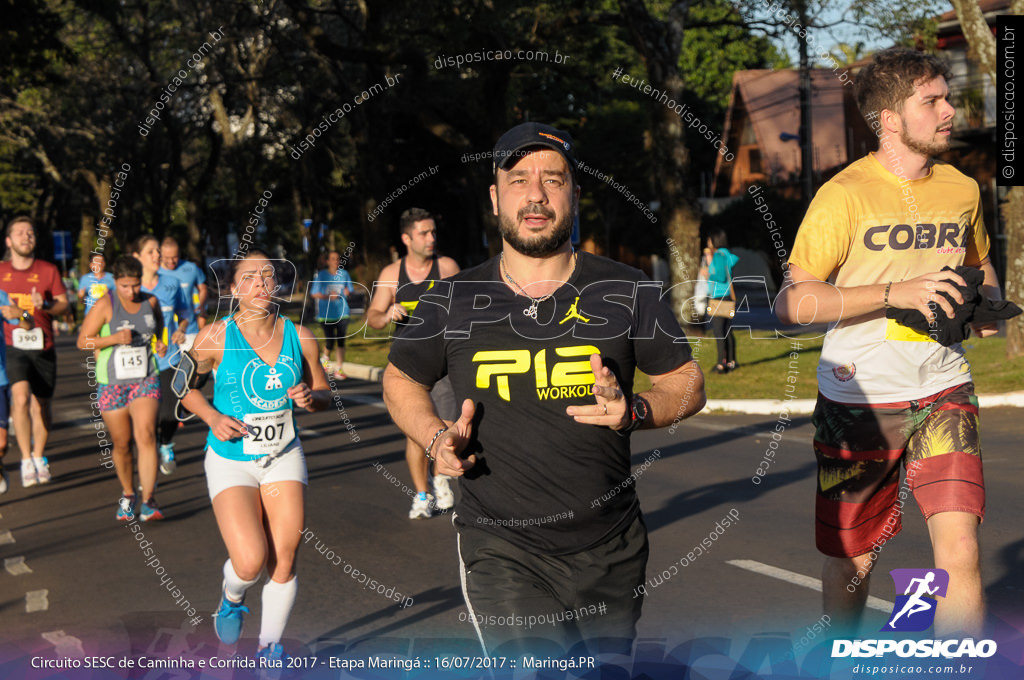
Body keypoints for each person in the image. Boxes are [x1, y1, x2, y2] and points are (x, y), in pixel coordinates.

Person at [382, 122, 706, 656]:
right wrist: (436, 437)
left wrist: (637, 409)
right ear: (495, 197)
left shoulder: (625, 289)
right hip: (502, 548)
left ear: (574, 195)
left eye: (553, 180)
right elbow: (401, 377)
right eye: (518, 180)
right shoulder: (451, 299)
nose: (535, 194)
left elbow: (687, 382)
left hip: (613, 547)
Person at [776, 48, 1001, 638]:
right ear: (891, 120)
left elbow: (980, 265)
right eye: (932, 101)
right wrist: (895, 291)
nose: (949, 110)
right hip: (860, 399)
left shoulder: (961, 188)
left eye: (947, 96)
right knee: (854, 560)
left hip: (943, 389)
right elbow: (794, 302)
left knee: (961, 551)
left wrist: (983, 307)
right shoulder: (844, 195)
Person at [177, 249, 331, 665]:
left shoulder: (300, 336)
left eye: (267, 277)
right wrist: (211, 416)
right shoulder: (214, 336)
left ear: (277, 285)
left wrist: (310, 398)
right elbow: (183, 385)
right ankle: (231, 596)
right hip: (231, 458)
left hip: (282, 454)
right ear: (233, 289)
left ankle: (268, 648)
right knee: (250, 561)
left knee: (284, 557)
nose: (259, 285)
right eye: (248, 278)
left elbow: (323, 393)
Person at [367, 208, 460, 519]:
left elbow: (466, 310)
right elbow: (374, 319)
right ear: (407, 238)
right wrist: (388, 311)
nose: (431, 238)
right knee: (415, 433)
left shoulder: (446, 267)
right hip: (409, 367)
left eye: (433, 232)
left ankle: (442, 479)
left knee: (446, 425)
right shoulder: (392, 274)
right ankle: (421, 495)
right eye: (424, 233)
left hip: (444, 362)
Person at [77, 256, 166, 520]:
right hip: (112, 382)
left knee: (147, 435)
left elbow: (159, 328)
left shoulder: (151, 301)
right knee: (122, 443)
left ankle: (149, 500)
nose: (132, 292)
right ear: (116, 283)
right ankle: (128, 493)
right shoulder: (106, 304)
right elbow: (83, 341)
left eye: (136, 285)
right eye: (125, 286)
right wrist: (113, 339)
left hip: (145, 377)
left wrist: (160, 343)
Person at [0, 216, 69, 487]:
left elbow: (65, 306)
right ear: (8, 240)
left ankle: (39, 456)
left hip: (43, 344)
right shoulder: (0, 271)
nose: (26, 237)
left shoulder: (48, 270)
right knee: (19, 396)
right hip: (11, 344)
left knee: (41, 404)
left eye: (30, 233)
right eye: (19, 233)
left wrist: (47, 304)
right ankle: (26, 458)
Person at [133, 235, 192, 476]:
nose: (157, 256)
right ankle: (147, 456)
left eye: (158, 251)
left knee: (170, 412)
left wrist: (180, 330)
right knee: (145, 419)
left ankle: (166, 443)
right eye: (151, 252)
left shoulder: (172, 283)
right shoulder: (130, 287)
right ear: (137, 257)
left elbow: (185, 312)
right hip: (139, 364)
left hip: (170, 358)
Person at [0, 291, 35, 493]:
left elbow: (28, 324)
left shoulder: (1, 296)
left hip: (0, 379)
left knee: (2, 444)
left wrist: (21, 313)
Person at [309, 250, 353, 381]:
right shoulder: (321, 275)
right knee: (330, 340)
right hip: (326, 314)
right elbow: (314, 293)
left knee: (341, 341)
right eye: (333, 259)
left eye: (337, 259)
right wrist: (328, 296)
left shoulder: (344, 274)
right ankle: (325, 358)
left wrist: (347, 291)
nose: (336, 261)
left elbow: (349, 290)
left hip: (343, 312)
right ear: (327, 261)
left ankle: (339, 369)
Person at [701, 229, 739, 374]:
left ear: (715, 241)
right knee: (728, 331)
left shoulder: (717, 255)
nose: (708, 243)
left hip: (718, 296)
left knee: (718, 332)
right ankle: (731, 361)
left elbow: (720, 276)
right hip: (728, 296)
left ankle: (720, 364)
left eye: (709, 240)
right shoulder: (727, 254)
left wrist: (708, 274)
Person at [159, 237, 209, 340]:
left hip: (189, 330)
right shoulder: (155, 272)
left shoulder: (191, 268)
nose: (171, 261)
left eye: (175, 257)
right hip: (164, 333)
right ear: (160, 254)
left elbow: (203, 288)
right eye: (167, 257)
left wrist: (202, 305)